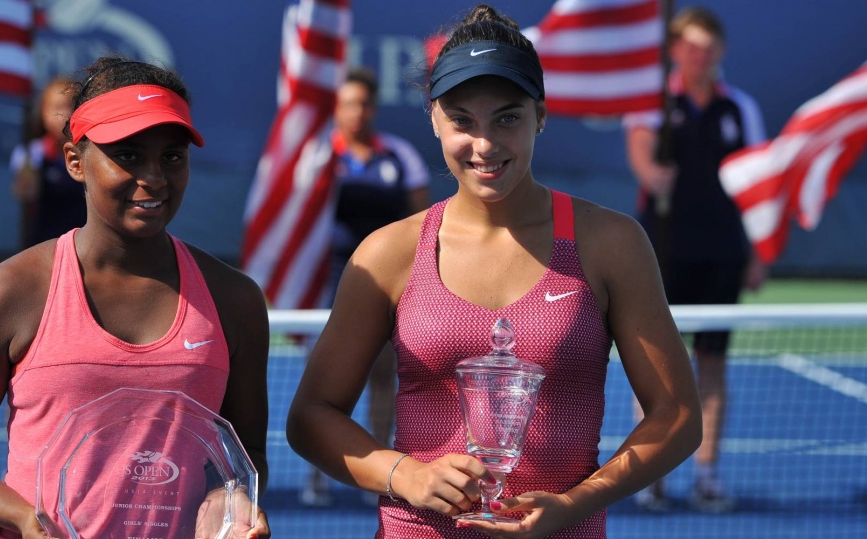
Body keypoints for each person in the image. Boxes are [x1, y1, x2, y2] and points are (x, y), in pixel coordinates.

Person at [287, 4, 702, 538]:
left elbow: (677, 415)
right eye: (462, 119)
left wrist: (576, 504)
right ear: (433, 117)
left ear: (541, 115)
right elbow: (311, 416)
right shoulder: (389, 252)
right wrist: (405, 474)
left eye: (507, 117)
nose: (484, 145)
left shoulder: (610, 243)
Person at [0, 57, 271, 539]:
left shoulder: (236, 300)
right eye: (128, 156)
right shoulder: (5, 294)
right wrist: (24, 518)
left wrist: (232, 505)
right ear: (74, 161)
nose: (154, 177)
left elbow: (244, 453)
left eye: (172, 156)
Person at [623, 5, 766, 514]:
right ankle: (651, 474)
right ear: (675, 50)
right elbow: (640, 153)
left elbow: (757, 186)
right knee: (656, 368)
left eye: (707, 47)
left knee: (712, 365)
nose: (698, 55)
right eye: (689, 46)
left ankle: (706, 475)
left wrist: (756, 253)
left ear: (719, 51)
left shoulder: (739, 110)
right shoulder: (653, 104)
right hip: (663, 256)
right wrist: (651, 173)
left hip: (723, 254)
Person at [301, 66, 432, 508]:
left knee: (382, 377)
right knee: (324, 381)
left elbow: (423, 222)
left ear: (373, 108)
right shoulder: (317, 157)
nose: (358, 111)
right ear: (337, 109)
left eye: (365, 103)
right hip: (330, 285)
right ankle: (316, 479)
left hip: (388, 284)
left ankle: (380, 473)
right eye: (349, 103)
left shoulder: (399, 156)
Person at [10, 76, 88, 248]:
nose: (63, 114)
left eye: (70, 106)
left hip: (84, 244)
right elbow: (25, 192)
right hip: (45, 245)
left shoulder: (90, 151)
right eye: (56, 108)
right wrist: (29, 161)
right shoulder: (32, 153)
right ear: (42, 114)